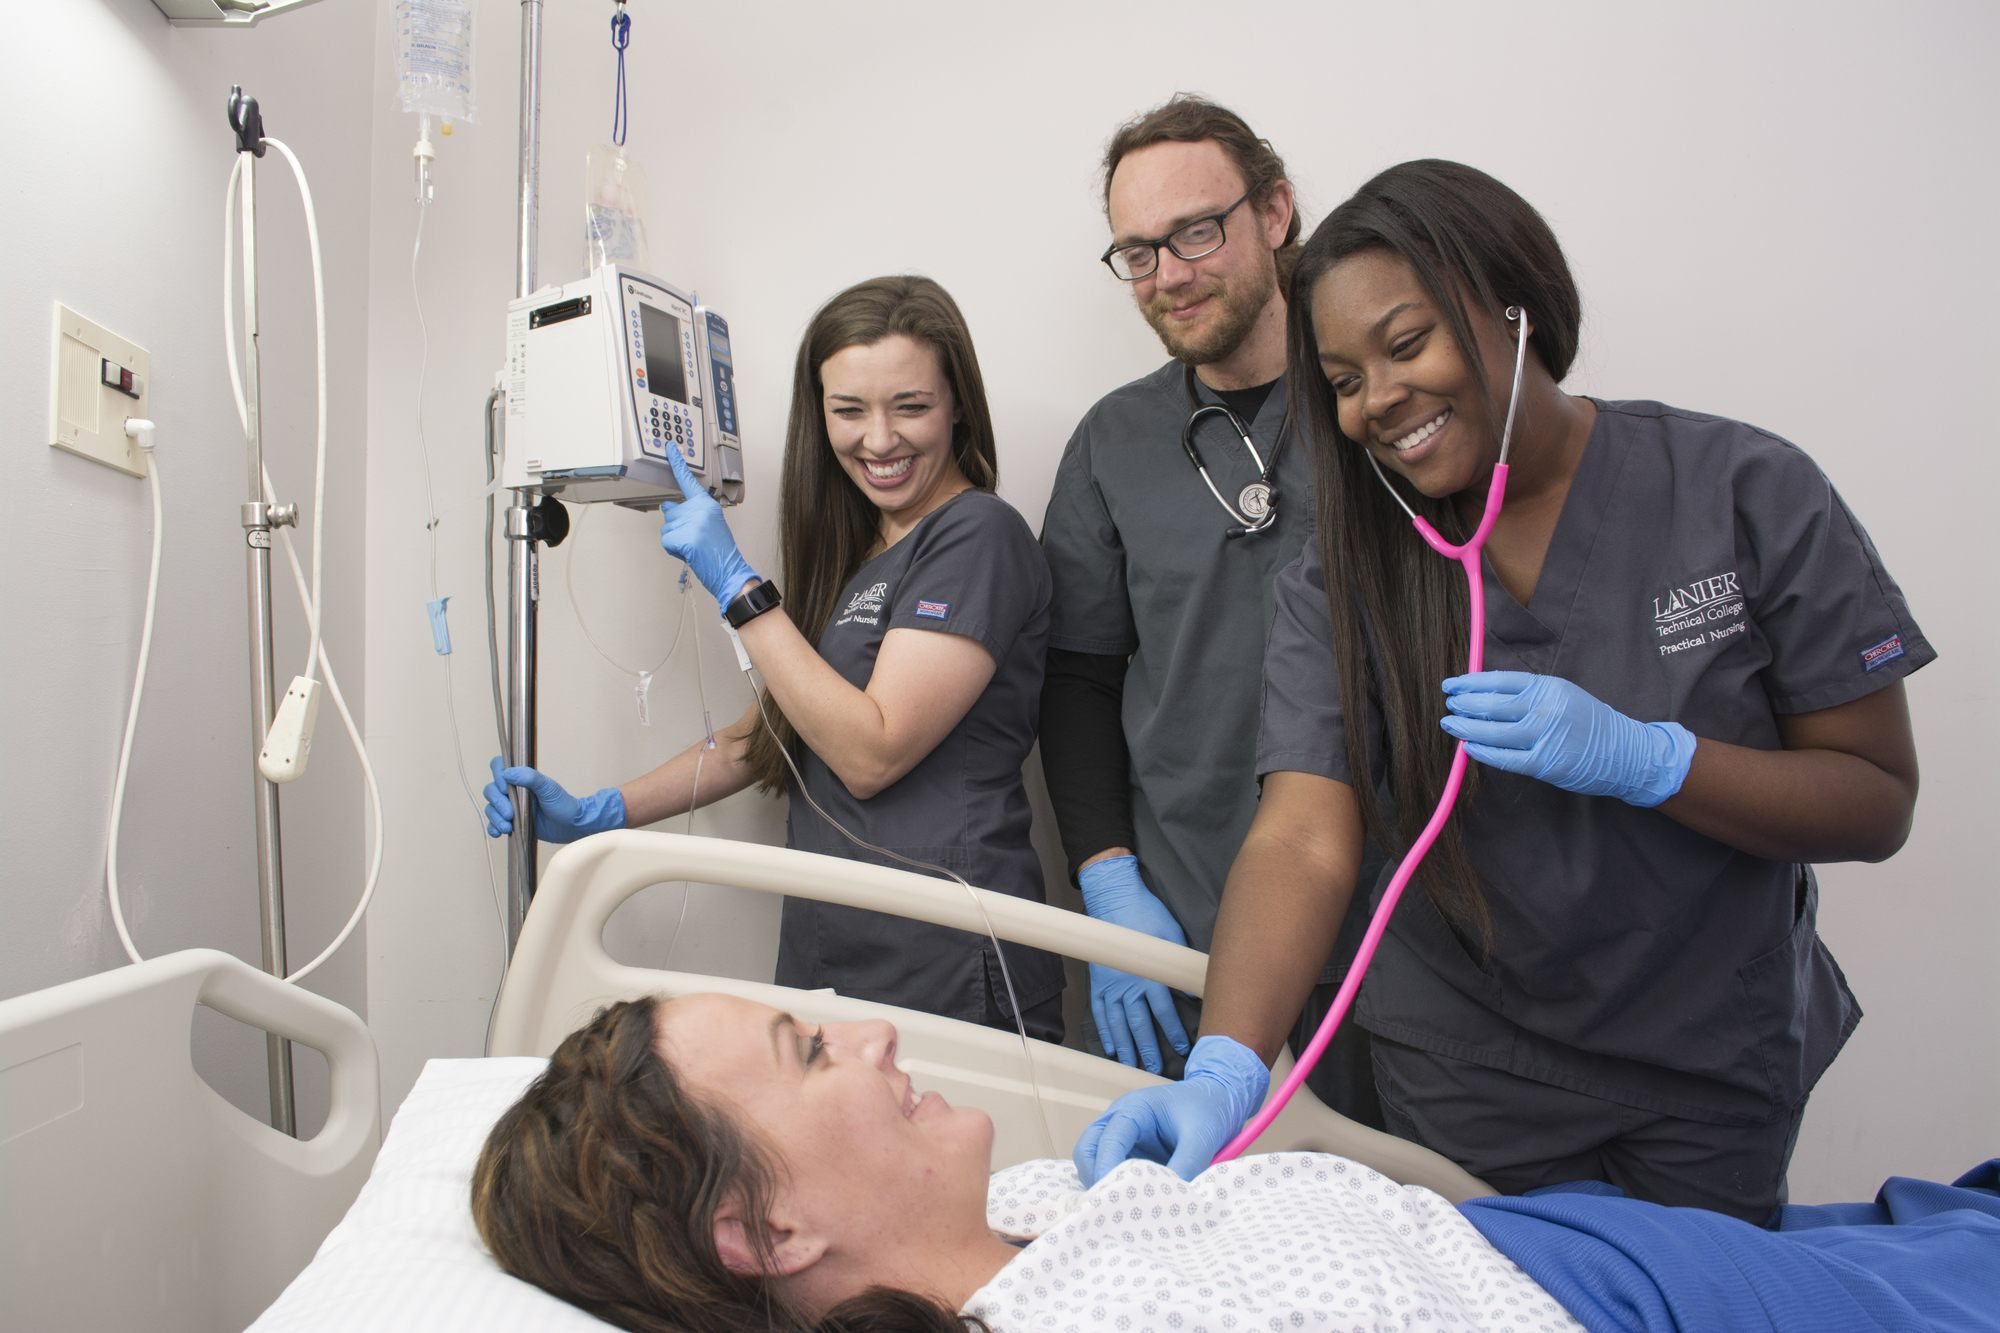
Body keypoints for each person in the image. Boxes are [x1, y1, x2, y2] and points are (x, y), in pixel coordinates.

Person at [1073, 160, 1932, 1223]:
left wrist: (1657, 761)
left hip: (1711, 1049)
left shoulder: (1742, 491)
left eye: (1405, 343)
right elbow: (1301, 836)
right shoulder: (1341, 576)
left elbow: (1872, 797)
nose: (1379, 399)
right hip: (1471, 1064)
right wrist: (1224, 1063)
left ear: (1515, 305)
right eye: (1341, 381)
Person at [471, 994, 2000, 1332]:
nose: (869, 1036)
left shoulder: (1007, 1222)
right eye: (808, 1056)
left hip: (1541, 1238)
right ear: (762, 1229)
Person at [484, 275, 1064, 1041]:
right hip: (835, 951)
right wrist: (602, 812)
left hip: (945, 960)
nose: (880, 439)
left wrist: (739, 588)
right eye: (849, 410)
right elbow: (768, 738)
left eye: (911, 406)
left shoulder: (978, 534)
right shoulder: (861, 560)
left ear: (957, 404)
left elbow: (872, 750)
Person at [1038, 94, 1382, 1124]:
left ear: (1274, 210)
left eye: (1194, 231)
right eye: (1137, 253)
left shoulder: (1383, 404)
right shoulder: (1114, 441)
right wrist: (1107, 878)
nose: (1168, 275)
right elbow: (1077, 678)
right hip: (1189, 919)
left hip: (1394, 924)